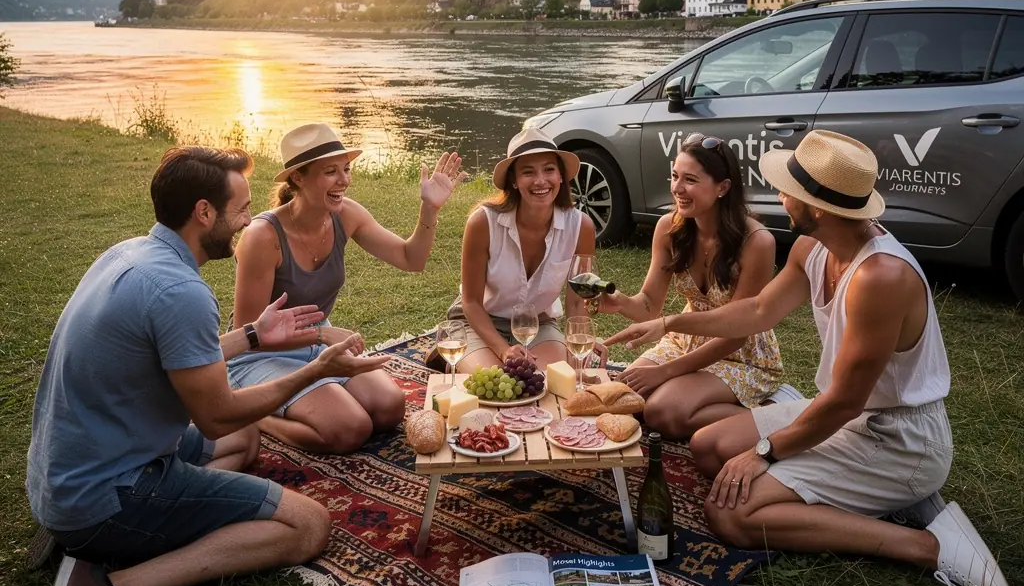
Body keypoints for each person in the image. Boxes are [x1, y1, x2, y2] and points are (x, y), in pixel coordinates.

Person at [606, 130, 1022, 586]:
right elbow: (757, 311)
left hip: (897, 437)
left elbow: (845, 402)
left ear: (817, 206)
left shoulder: (880, 278)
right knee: (706, 448)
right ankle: (872, 493)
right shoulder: (813, 248)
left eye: (787, 189)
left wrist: (765, 453)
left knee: (731, 515)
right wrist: (671, 322)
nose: (780, 196)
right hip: (846, 414)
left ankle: (928, 545)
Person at [26, 146, 381, 586]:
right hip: (109, 492)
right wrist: (313, 373)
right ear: (204, 213)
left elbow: (180, 361)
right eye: (239, 210)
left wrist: (255, 337)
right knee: (308, 524)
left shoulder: (130, 254)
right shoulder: (182, 291)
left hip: (65, 472)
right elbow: (214, 417)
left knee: (249, 436)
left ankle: (89, 539)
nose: (247, 222)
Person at [229, 122, 468, 453]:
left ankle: (310, 393)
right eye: (331, 172)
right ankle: (251, 413)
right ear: (298, 177)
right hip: (261, 353)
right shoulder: (262, 236)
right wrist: (323, 335)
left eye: (346, 169)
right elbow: (249, 333)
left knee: (389, 408)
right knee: (349, 429)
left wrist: (430, 209)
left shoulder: (345, 215)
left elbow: (410, 259)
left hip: (315, 341)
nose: (344, 180)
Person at [599, 132, 783, 438]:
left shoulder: (757, 242)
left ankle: (772, 418)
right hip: (685, 340)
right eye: (674, 176)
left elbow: (737, 333)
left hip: (741, 353)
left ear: (723, 187)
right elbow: (649, 306)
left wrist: (665, 372)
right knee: (623, 400)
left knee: (661, 411)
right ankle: (687, 397)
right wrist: (621, 302)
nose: (677, 188)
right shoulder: (669, 228)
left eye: (690, 180)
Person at [449, 128, 603, 372]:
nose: (540, 180)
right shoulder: (482, 223)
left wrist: (581, 337)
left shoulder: (581, 227)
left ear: (561, 176)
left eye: (549, 169)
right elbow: (471, 302)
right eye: (528, 172)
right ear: (514, 180)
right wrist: (503, 350)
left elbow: (576, 303)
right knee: (497, 381)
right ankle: (456, 356)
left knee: (547, 379)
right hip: (480, 320)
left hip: (538, 322)